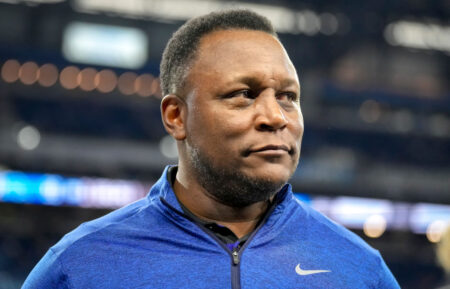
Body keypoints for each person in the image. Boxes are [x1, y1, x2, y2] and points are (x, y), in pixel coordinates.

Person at [22, 9, 400, 288]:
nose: (275, 116)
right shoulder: (79, 265)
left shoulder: (361, 269)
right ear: (176, 116)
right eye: (243, 95)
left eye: (287, 97)